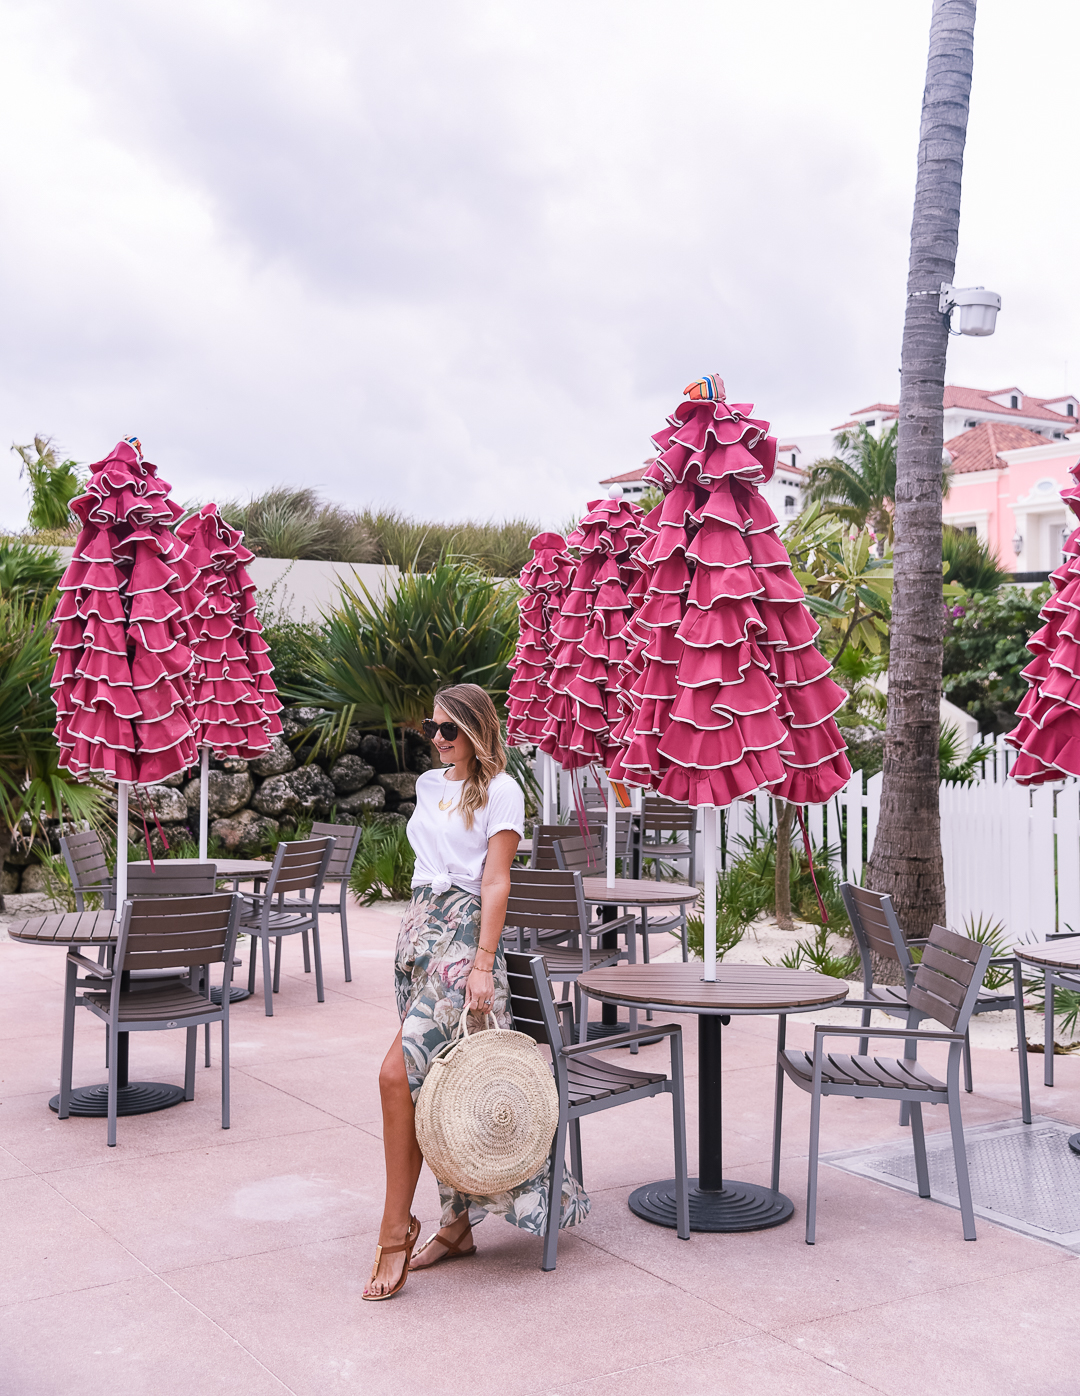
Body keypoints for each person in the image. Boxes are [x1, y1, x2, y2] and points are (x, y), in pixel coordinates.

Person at [363, 683, 589, 1300]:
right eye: (432, 730)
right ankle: (457, 1225)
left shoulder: (504, 793)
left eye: (448, 731)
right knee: (433, 1084)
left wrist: (484, 961)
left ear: (477, 731)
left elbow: (496, 881)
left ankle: (393, 1230)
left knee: (394, 1074)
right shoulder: (432, 786)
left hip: (463, 939)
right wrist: (416, 937)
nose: (436, 740)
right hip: (419, 934)